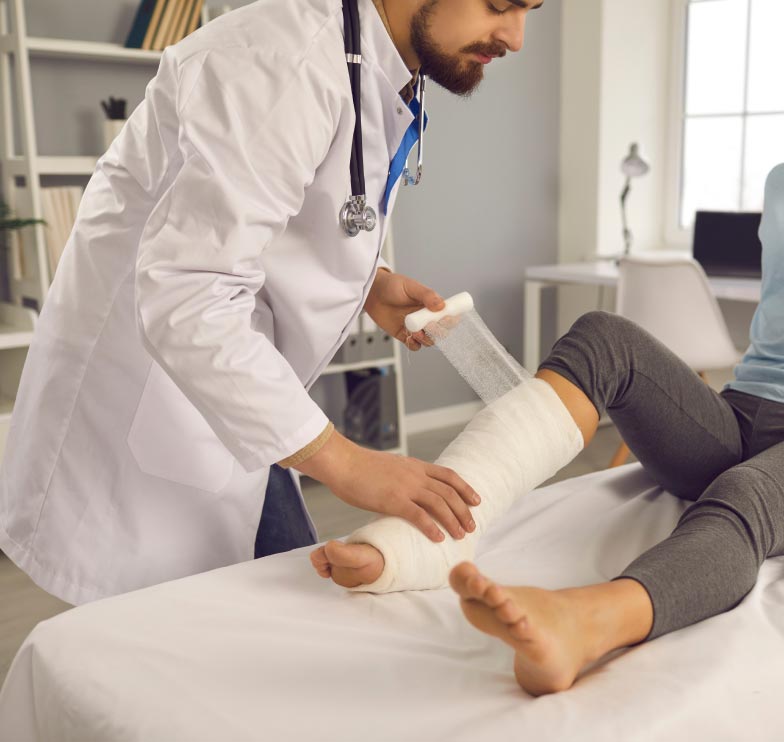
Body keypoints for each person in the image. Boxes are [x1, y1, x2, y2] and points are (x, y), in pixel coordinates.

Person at [312, 11, 784, 696]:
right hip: (744, 415)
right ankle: (444, 527)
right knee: (602, 336)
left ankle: (582, 624)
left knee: (743, 495)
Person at [0, 0, 544, 606]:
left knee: (286, 617)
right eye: (501, 4)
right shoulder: (281, 64)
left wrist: (372, 282)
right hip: (144, 399)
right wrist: (346, 462)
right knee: (180, 647)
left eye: (531, 10)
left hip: (236, 401)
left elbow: (285, 211)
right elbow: (187, 294)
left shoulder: (374, 63)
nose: (517, 38)